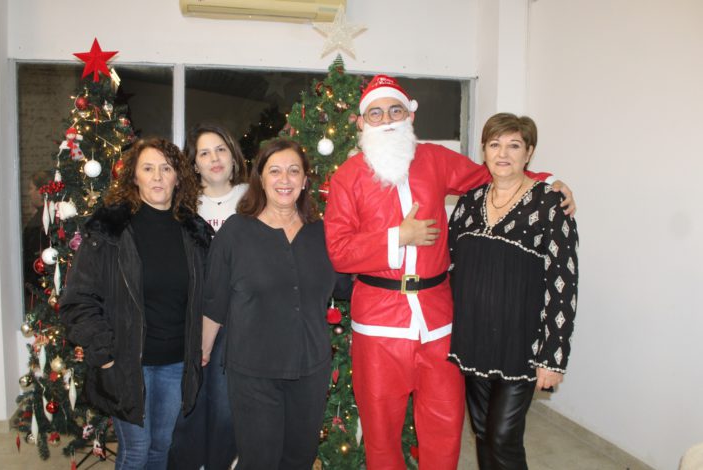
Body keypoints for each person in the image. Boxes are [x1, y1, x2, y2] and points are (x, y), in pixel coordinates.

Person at [324, 75, 575, 470]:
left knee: (444, 427)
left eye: (395, 110)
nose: (386, 119)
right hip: (378, 323)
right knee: (381, 434)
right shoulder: (347, 177)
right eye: (376, 113)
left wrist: (547, 181)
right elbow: (339, 252)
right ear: (361, 122)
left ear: (410, 116)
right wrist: (399, 236)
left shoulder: (435, 160)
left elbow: (492, 174)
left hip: (439, 322)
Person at [60, 137, 212, 470]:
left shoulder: (194, 232)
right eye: (148, 168)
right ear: (134, 177)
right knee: (137, 450)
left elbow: (208, 295)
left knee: (161, 447)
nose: (157, 177)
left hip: (175, 363)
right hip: (127, 363)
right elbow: (78, 299)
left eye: (166, 168)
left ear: (178, 178)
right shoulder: (108, 231)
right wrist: (104, 355)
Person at [202, 138, 348, 470]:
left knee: (299, 459)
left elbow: (348, 285)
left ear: (305, 180)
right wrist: (203, 352)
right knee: (259, 461)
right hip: (253, 372)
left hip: (310, 370)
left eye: (293, 171)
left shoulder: (323, 234)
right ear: (261, 178)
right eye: (275, 171)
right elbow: (214, 301)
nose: (285, 179)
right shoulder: (236, 233)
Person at [447, 113, 578, 470]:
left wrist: (553, 356)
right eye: (495, 144)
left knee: (503, 438)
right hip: (473, 341)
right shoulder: (469, 202)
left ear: (529, 153)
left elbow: (563, 283)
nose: (503, 153)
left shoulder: (550, 205)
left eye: (514, 145)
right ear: (484, 151)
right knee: (483, 432)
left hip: (521, 345)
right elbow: (451, 264)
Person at [169, 123, 248, 470]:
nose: (214, 158)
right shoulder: (182, 205)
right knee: (188, 404)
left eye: (220, 150)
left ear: (233, 157)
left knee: (225, 406)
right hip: (189, 318)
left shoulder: (254, 199)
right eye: (204, 152)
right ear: (195, 164)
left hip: (238, 321)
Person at [21, 170, 49, 301]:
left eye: (31, 188)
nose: (29, 193)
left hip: (38, 288)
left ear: (41, 191)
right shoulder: (46, 216)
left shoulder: (38, 223)